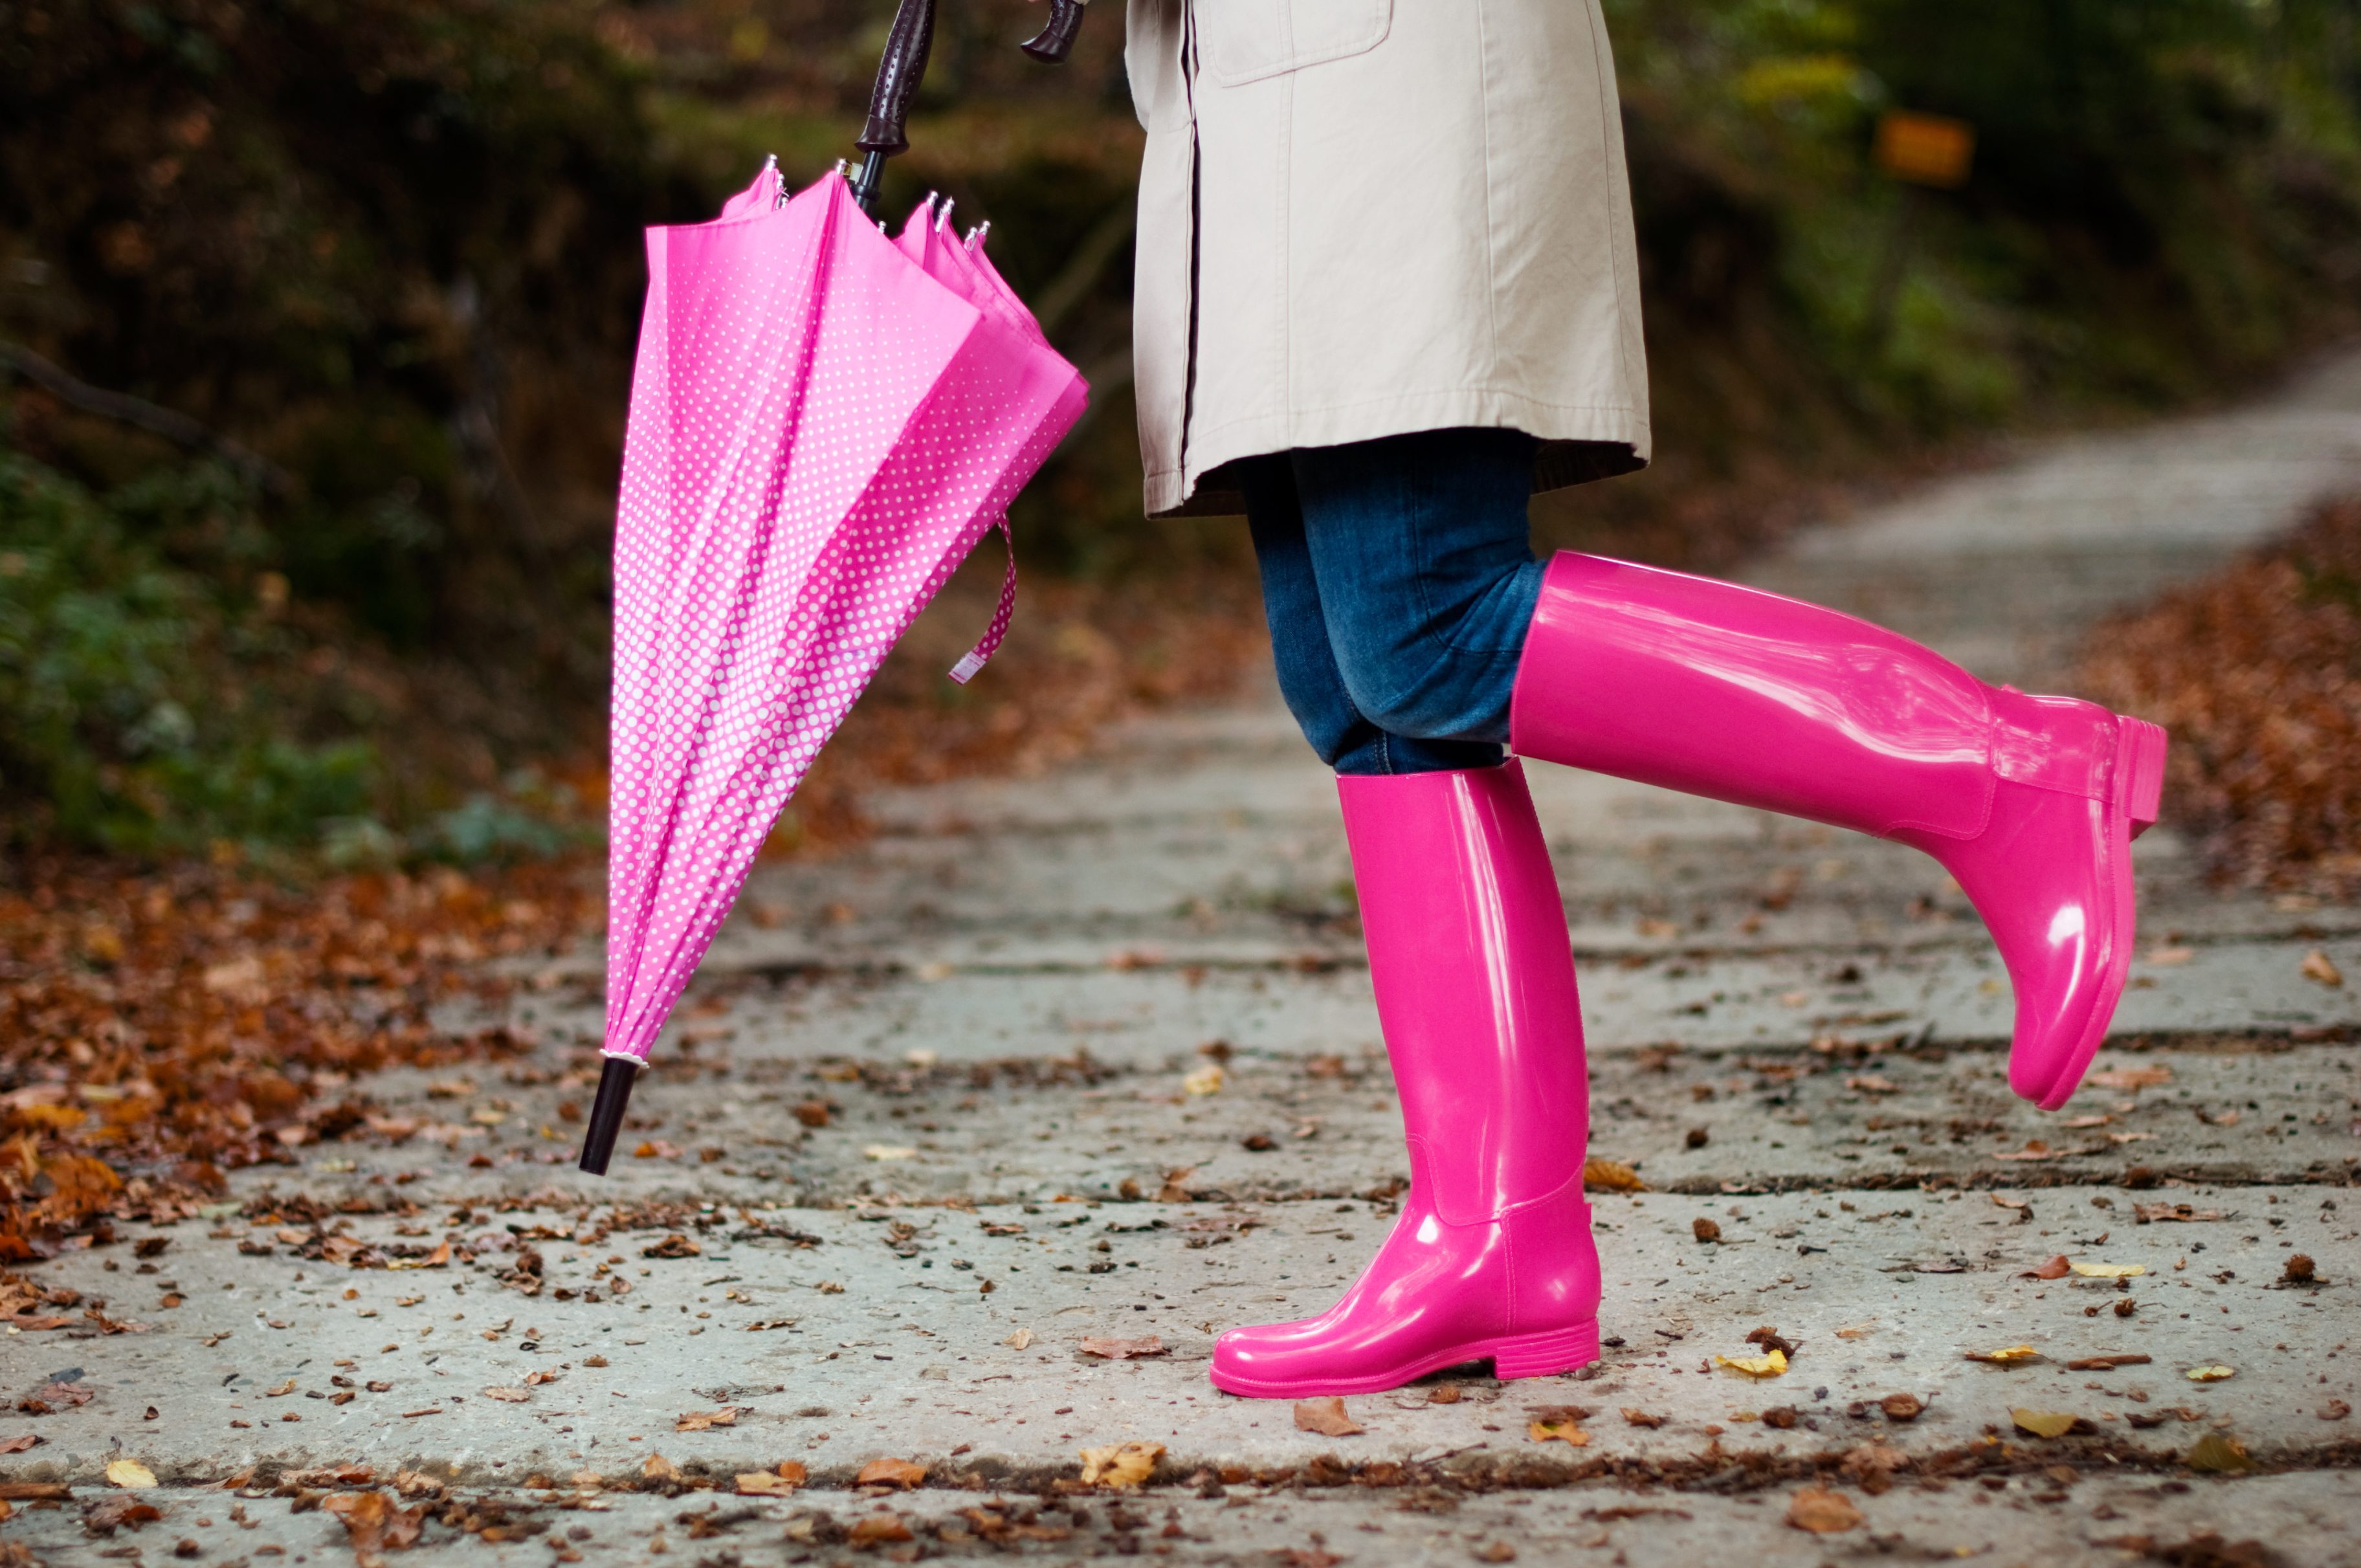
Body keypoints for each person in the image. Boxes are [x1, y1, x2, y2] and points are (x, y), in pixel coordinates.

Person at [1111, 0, 2167, 1399]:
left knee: (1426, 628)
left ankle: (2005, 771)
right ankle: (1494, 1242)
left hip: (1375, 87)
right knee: (1365, 696)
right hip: (1251, 109)